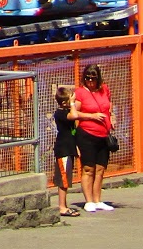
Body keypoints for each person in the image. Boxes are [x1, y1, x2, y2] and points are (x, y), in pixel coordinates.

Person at [70, 64, 116, 211]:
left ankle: (97, 200)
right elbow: (74, 113)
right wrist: (92, 116)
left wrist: (112, 117)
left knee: (100, 168)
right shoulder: (80, 92)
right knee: (88, 168)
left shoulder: (104, 89)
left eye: (93, 78)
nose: (90, 81)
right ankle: (88, 201)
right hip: (87, 134)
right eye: (88, 78)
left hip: (103, 134)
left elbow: (109, 105)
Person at [52, 85, 81, 216]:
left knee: (67, 178)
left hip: (70, 148)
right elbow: (75, 115)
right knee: (63, 180)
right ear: (64, 103)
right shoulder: (60, 113)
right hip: (63, 149)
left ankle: (64, 205)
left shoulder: (66, 111)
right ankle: (62, 207)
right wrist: (73, 103)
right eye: (69, 101)